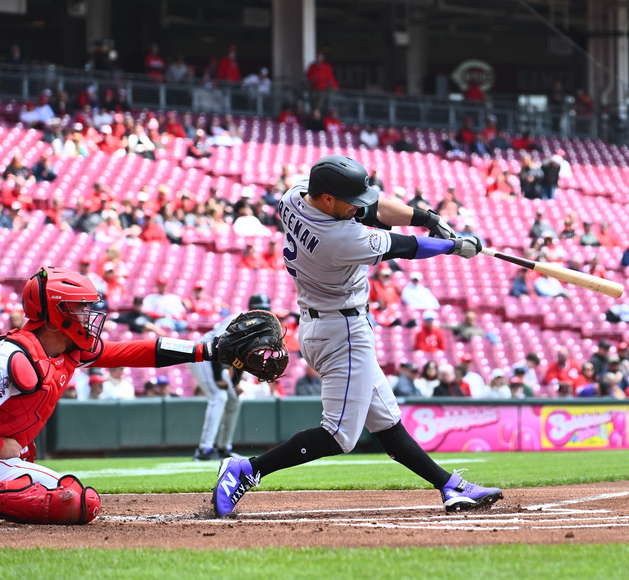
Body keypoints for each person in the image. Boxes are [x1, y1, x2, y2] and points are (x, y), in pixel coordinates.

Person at [210, 154, 499, 518]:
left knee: (386, 422)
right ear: (328, 198)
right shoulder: (340, 238)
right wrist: (452, 246)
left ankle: (450, 486)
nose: (357, 208)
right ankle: (247, 469)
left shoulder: (294, 196)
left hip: (324, 324)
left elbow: (373, 208)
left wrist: (427, 218)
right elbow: (405, 248)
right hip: (342, 332)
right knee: (338, 435)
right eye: (350, 202)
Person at [0, 267, 222, 524]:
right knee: (76, 501)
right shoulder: (12, 354)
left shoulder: (69, 349)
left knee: (75, 500)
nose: (88, 315)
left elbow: (135, 351)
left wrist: (209, 350)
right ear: (57, 313)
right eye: (80, 308)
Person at [187, 293, 272, 461]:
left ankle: (223, 448)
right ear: (250, 309)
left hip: (217, 362)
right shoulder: (238, 320)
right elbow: (219, 344)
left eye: (265, 309)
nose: (261, 312)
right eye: (258, 308)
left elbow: (241, 357)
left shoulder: (257, 330)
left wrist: (236, 382)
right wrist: (219, 377)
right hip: (202, 356)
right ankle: (204, 450)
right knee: (218, 397)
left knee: (234, 401)